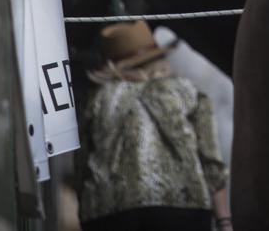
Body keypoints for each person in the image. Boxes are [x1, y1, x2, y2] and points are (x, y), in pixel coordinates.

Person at [76, 20, 232, 231]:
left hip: (109, 211)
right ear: (157, 57)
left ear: (110, 64)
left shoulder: (97, 100)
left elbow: (82, 164)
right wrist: (224, 220)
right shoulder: (187, 93)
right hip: (181, 206)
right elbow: (211, 163)